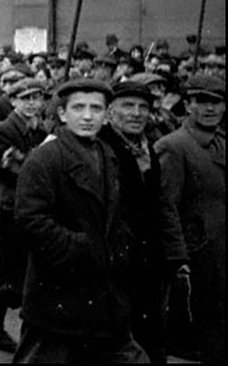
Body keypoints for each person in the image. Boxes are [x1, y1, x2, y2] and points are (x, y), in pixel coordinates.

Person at [14, 79, 148, 363]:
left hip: (104, 297)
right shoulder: (45, 159)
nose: (88, 116)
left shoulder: (109, 155)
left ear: (106, 115)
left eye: (96, 109)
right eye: (78, 108)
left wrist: (119, 248)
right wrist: (86, 248)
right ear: (62, 114)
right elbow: (31, 221)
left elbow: (121, 214)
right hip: (57, 296)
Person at [156, 73, 225, 364]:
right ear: (187, 105)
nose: (210, 109)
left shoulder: (221, 143)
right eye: (201, 101)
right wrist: (178, 257)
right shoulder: (174, 146)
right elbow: (165, 206)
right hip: (196, 260)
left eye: (216, 102)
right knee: (197, 339)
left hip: (220, 256)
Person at [101, 80, 168, 364]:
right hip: (114, 259)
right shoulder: (102, 146)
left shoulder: (147, 149)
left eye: (143, 107)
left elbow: (161, 205)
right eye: (128, 106)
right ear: (110, 111)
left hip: (146, 258)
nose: (136, 113)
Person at [0, 77, 48, 352]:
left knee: (27, 268)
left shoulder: (39, 129)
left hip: (32, 204)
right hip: (10, 206)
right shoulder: (4, 130)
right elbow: (11, 169)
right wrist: (39, 160)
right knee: (11, 269)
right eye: (26, 99)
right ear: (13, 101)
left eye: (37, 98)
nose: (32, 104)